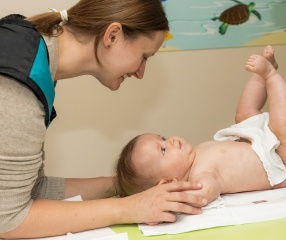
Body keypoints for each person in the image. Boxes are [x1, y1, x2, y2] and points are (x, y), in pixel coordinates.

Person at [0, 0, 206, 238]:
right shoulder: (17, 86)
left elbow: (34, 189)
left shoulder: (31, 53)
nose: (140, 73)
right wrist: (130, 208)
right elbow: (8, 220)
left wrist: (126, 186)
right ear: (113, 35)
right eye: (144, 57)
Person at [116, 46, 286, 208]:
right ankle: (270, 75)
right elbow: (202, 194)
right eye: (164, 149)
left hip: (258, 141)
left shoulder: (196, 157)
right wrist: (180, 197)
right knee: (284, 126)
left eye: (163, 138)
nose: (171, 140)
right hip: (283, 162)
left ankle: (262, 75)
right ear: (168, 183)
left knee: (244, 113)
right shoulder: (201, 177)